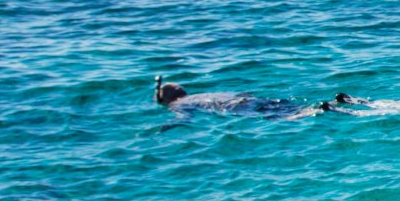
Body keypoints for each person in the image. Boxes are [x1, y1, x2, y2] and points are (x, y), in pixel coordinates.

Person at [153, 76, 370, 120]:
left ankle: (322, 109)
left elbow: (184, 119)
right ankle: (337, 101)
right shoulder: (201, 94)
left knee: (285, 118)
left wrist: (164, 129)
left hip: (238, 108)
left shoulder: (179, 105)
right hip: (249, 99)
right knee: (285, 107)